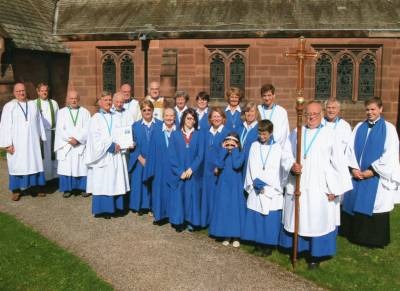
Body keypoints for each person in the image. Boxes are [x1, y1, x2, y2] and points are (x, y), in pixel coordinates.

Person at [279, 101, 352, 268]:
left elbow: (339, 163)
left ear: (321, 115)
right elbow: (286, 154)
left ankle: (315, 255)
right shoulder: (297, 131)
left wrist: (336, 189)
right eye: (308, 114)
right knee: (300, 217)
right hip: (300, 182)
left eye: (315, 114)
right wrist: (291, 165)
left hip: (319, 185)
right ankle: (299, 249)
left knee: (316, 220)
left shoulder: (329, 134)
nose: (311, 117)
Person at [341, 97, 400, 248]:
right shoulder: (359, 126)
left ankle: (373, 240)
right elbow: (350, 149)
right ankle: (353, 234)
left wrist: (372, 171)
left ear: (381, 109)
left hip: (376, 177)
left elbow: (390, 154)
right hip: (358, 175)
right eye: (367, 109)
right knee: (354, 200)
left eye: (373, 109)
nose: (370, 112)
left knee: (375, 205)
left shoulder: (389, 129)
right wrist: (354, 168)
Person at [242, 120, 292, 256]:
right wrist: (256, 184)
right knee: (257, 217)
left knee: (269, 220)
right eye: (260, 133)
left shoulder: (277, 148)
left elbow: (278, 171)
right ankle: (258, 243)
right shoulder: (254, 146)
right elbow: (251, 166)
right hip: (256, 186)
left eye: (264, 134)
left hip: (271, 188)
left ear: (270, 133)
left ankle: (268, 245)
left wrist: (268, 187)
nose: (262, 136)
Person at [85, 92, 130, 218]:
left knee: (116, 180)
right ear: (100, 101)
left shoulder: (116, 116)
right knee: (104, 182)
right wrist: (109, 146)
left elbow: (123, 132)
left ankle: (117, 207)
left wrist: (126, 143)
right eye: (105, 100)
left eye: (110, 100)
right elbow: (94, 138)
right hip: (103, 156)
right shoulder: (95, 119)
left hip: (116, 155)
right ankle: (104, 209)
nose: (108, 102)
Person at [0, 83, 46, 201]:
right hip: (17, 143)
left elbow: (39, 121)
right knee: (17, 165)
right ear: (14, 92)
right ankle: (16, 190)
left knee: (34, 163)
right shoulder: (9, 106)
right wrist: (7, 144)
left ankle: (36, 187)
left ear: (26, 91)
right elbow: (5, 126)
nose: (21, 93)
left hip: (32, 142)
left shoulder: (32, 104)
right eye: (18, 91)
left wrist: (42, 136)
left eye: (23, 90)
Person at [169, 108, 204, 231]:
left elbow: (200, 155)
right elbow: (172, 156)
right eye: (188, 118)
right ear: (183, 119)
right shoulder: (175, 134)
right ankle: (179, 221)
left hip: (192, 173)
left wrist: (191, 169)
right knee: (180, 197)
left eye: (193, 119)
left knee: (192, 198)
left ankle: (191, 221)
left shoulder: (199, 135)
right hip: (180, 173)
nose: (191, 121)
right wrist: (180, 172)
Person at [209, 132, 246, 248]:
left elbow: (236, 165)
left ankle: (236, 236)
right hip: (224, 184)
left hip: (235, 186)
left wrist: (234, 151)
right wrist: (223, 151)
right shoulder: (222, 153)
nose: (230, 144)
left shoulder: (240, 153)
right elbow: (218, 165)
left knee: (234, 209)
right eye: (228, 142)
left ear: (237, 143)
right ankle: (226, 235)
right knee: (225, 208)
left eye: (233, 142)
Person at [128, 100, 162, 215]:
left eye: (149, 109)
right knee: (139, 183)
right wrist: (140, 157)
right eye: (144, 110)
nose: (147, 112)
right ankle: (141, 206)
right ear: (141, 112)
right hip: (140, 159)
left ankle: (153, 206)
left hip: (156, 160)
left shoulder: (160, 124)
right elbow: (132, 144)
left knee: (154, 183)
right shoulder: (135, 126)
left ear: (153, 110)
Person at [54, 90, 91, 198]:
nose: (73, 100)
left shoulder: (85, 112)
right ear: (68, 99)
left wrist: (78, 139)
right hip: (67, 144)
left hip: (80, 144)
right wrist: (70, 139)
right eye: (71, 98)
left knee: (81, 166)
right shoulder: (61, 112)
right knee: (66, 167)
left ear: (78, 99)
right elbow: (60, 129)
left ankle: (83, 188)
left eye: (75, 98)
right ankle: (67, 189)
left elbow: (87, 128)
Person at [200, 107, 229, 228]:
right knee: (207, 194)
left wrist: (219, 166)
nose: (216, 118)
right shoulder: (207, 132)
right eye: (214, 116)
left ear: (223, 118)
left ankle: (215, 222)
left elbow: (226, 150)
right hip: (207, 168)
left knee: (216, 196)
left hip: (219, 169)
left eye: (219, 116)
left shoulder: (226, 132)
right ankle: (206, 221)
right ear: (210, 119)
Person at [148, 107, 176, 224]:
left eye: (171, 116)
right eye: (167, 116)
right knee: (159, 191)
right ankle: (160, 216)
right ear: (163, 117)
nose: (169, 118)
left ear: (175, 118)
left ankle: (173, 216)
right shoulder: (157, 131)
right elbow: (152, 151)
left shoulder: (178, 131)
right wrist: (151, 169)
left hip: (174, 167)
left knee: (173, 191)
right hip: (160, 167)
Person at [35, 83, 59, 182]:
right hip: (40, 134)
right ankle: (43, 179)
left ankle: (54, 177)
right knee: (43, 157)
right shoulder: (34, 104)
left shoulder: (53, 103)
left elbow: (58, 118)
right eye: (42, 91)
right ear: (38, 91)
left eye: (46, 91)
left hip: (53, 133)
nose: (44, 92)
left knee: (54, 156)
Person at [237, 102, 260, 175]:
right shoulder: (240, 128)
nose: (249, 114)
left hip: (252, 165)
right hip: (239, 164)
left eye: (252, 111)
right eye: (247, 111)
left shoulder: (260, 129)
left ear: (256, 113)